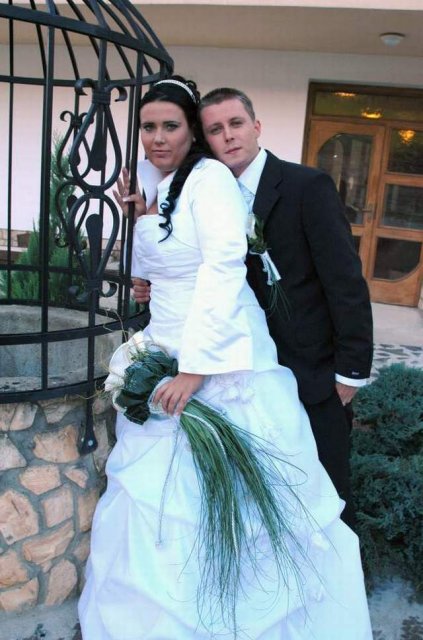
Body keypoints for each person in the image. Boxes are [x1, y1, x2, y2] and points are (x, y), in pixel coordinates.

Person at [78, 76, 373, 639]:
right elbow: (170, 262)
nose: (159, 137)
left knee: (285, 493)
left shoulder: (219, 180)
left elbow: (229, 269)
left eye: (172, 126)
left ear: (194, 133)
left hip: (229, 354)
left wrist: (196, 366)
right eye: (148, 127)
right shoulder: (164, 184)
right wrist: (143, 251)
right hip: (174, 340)